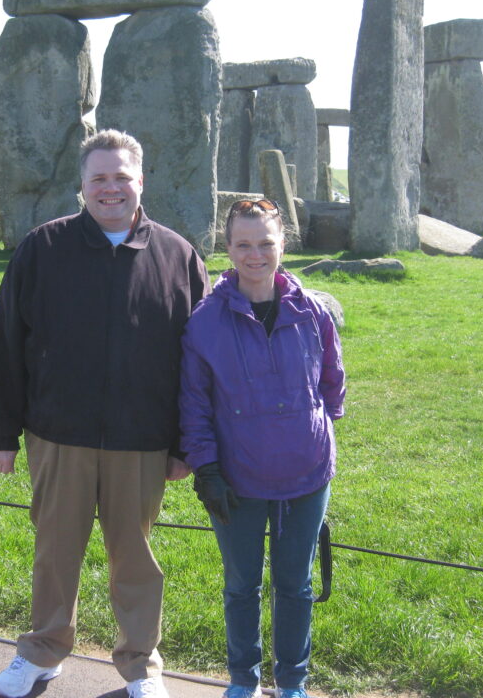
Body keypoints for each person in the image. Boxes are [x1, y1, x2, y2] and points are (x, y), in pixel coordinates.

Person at [0, 129, 209, 698]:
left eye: (122, 177)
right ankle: (42, 651)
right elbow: (7, 342)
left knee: (135, 559)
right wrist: (0, 431)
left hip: (143, 439)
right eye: (99, 178)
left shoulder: (178, 256)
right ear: (81, 186)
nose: (111, 188)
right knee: (55, 551)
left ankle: (140, 664)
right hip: (60, 434)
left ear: (141, 182)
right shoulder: (42, 248)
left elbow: (199, 363)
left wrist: (187, 443)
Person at [179, 198, 346, 698]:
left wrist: (313, 430)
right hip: (238, 476)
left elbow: (332, 383)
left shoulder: (313, 311)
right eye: (244, 244)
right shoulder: (204, 323)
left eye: (266, 243)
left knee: (294, 587)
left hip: (307, 473)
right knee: (241, 587)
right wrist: (206, 469)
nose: (256, 255)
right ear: (226, 248)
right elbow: (194, 405)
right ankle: (242, 680)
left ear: (283, 245)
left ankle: (292, 682)